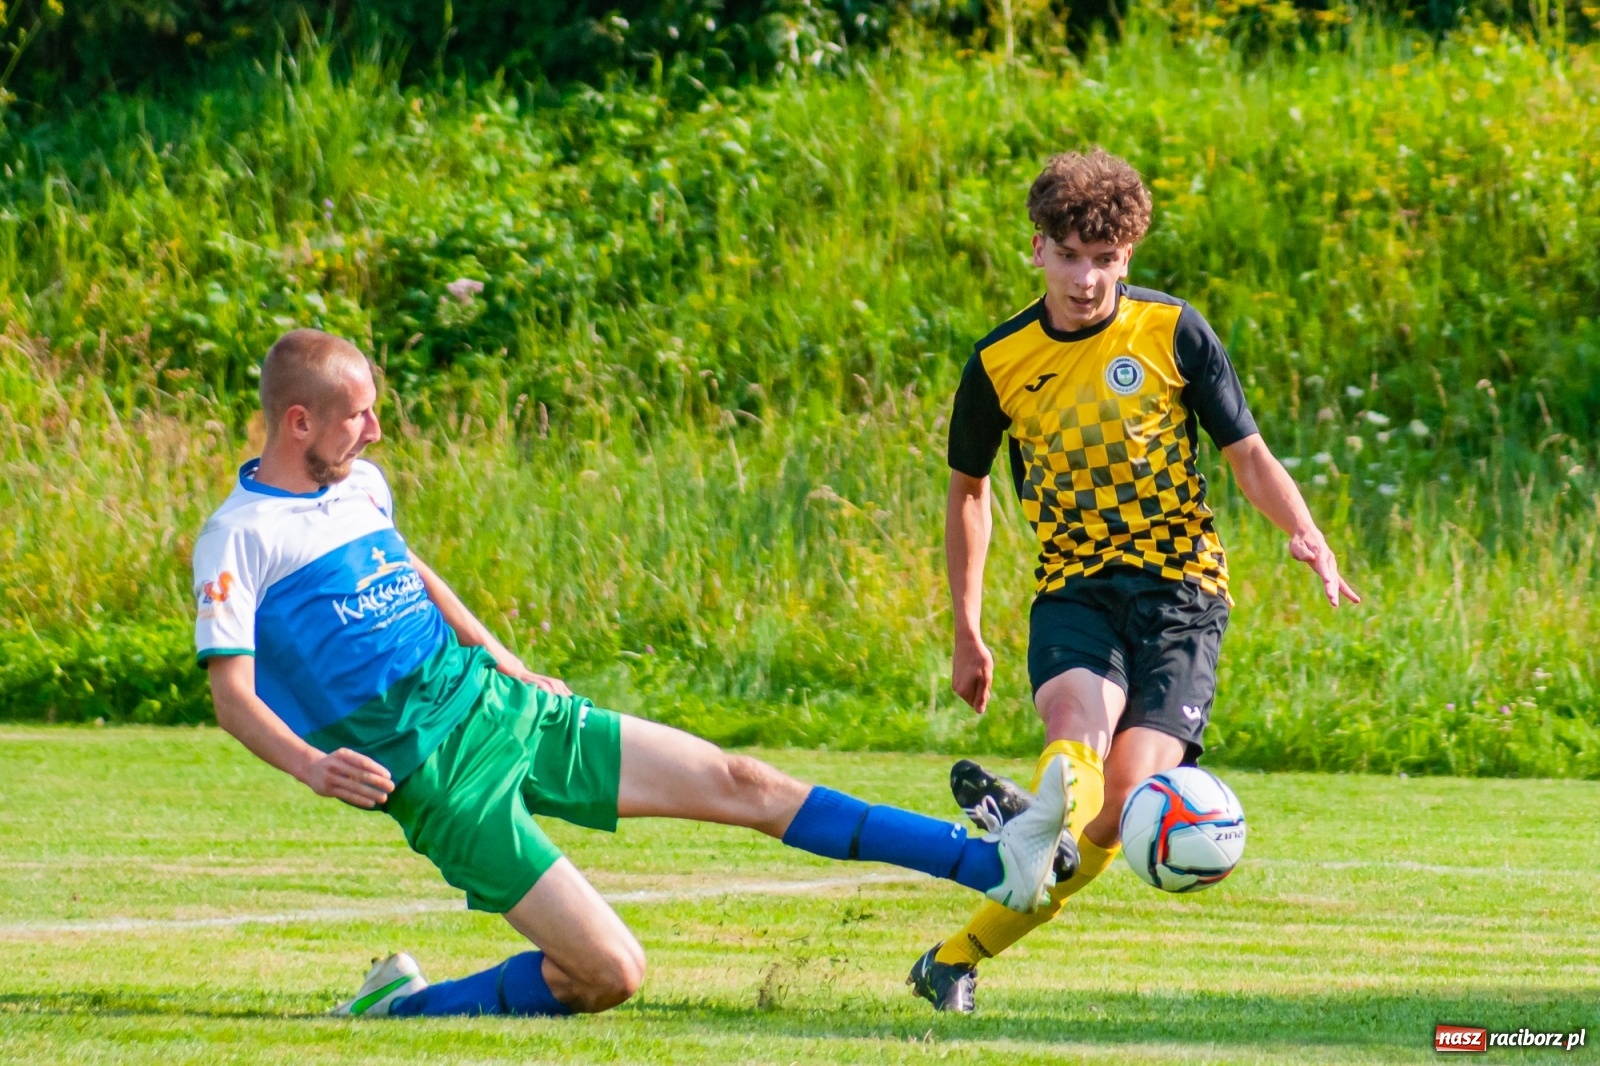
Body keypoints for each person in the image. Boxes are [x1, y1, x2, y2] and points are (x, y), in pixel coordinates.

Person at [193, 329, 1073, 1019]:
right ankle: (403, 1006)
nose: (376, 430)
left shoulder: (361, 484)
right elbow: (232, 697)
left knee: (746, 779)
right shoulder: (240, 537)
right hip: (440, 780)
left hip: (505, 707)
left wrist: (504, 659)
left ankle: (991, 866)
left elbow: (409, 568)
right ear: (298, 422)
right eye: (358, 416)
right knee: (609, 974)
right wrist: (314, 766)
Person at [907, 149, 1360, 1013]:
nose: (1086, 280)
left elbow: (1248, 454)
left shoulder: (1172, 331)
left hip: (1183, 593)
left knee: (1120, 810)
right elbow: (967, 492)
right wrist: (966, 627)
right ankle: (1036, 822)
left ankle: (955, 956)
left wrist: (1305, 533)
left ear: (1129, 255)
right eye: (1068, 256)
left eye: (1105, 259)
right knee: (1074, 724)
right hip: (1075, 586)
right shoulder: (999, 361)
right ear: (1036, 249)